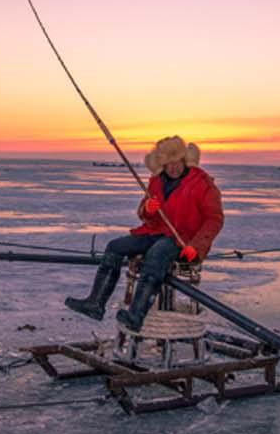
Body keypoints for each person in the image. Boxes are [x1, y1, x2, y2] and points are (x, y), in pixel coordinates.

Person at [65, 136, 225, 331]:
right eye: (168, 164)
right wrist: (148, 208)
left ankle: (136, 315)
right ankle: (95, 304)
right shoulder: (156, 182)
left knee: (156, 255)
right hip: (155, 231)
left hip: (182, 238)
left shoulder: (202, 184)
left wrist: (196, 246)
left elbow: (214, 219)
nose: (173, 167)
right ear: (162, 165)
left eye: (176, 162)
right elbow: (145, 216)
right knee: (115, 247)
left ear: (184, 160)